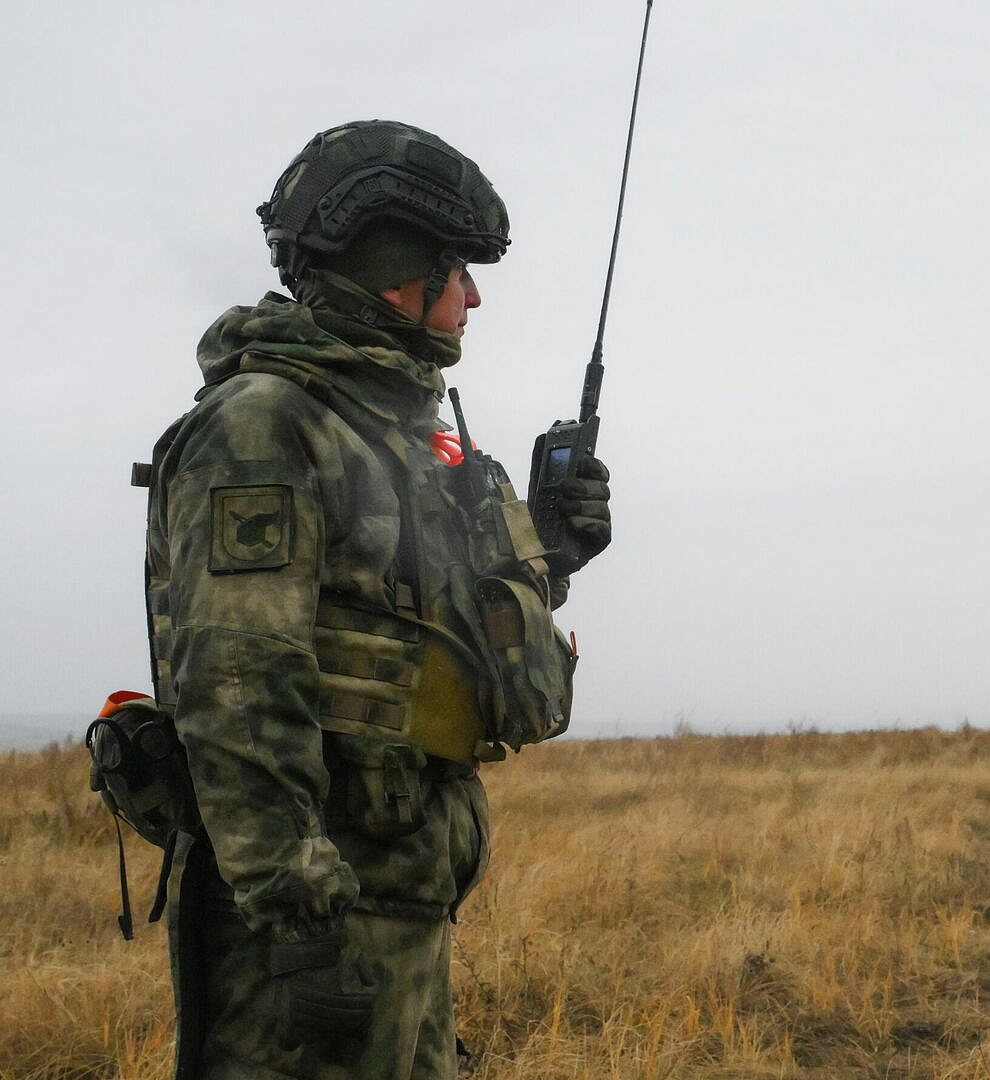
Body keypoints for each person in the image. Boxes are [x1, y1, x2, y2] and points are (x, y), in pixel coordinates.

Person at [143, 119, 611, 1078]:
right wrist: (301, 927)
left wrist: (551, 560)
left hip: (399, 901)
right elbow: (238, 686)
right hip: (314, 932)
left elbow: (420, 634)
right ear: (397, 272)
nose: (472, 297)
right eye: (456, 271)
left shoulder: (394, 431)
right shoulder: (267, 427)